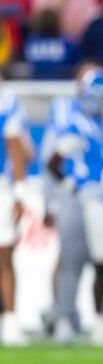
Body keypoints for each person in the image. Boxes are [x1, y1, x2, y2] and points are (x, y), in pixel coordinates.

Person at [46, 68, 103, 345]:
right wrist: (71, 189)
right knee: (72, 262)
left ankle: (101, 320)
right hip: (79, 199)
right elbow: (53, 164)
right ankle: (64, 319)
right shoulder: (74, 122)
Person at [0, 84, 29, 346]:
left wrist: (20, 190)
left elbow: (14, 145)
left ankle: (9, 319)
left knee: (4, 253)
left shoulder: (5, 99)